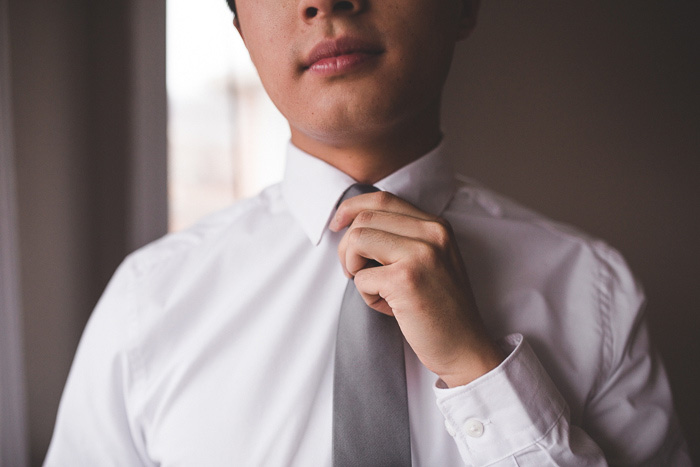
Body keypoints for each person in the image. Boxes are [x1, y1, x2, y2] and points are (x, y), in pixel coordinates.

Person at [45, 0, 690, 465]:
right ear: (240, 25)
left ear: (464, 7)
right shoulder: (147, 301)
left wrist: (480, 372)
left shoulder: (595, 291)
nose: (324, 3)